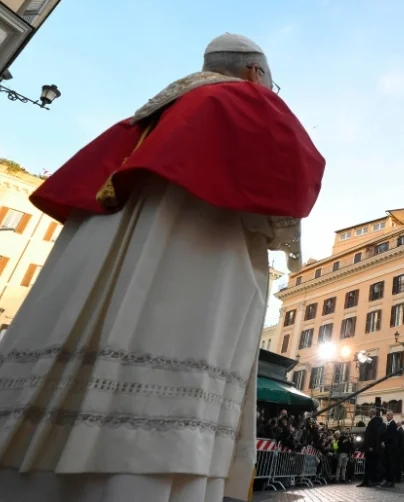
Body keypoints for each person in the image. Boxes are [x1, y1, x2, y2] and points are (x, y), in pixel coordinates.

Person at [0, 33, 324, 502]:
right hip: (193, 251)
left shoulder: (148, 118)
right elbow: (298, 175)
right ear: (255, 74)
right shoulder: (242, 103)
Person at [359, 409, 385, 488]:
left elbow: (374, 436)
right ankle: (367, 480)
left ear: (371, 413)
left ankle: (372, 481)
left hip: (371, 448)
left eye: (368, 412)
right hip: (370, 448)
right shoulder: (374, 422)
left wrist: (371, 446)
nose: (368, 414)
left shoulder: (375, 422)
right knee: (368, 465)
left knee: (372, 465)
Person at [382, 411, 400, 488]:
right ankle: (389, 481)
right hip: (390, 448)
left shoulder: (392, 425)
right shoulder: (390, 424)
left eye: (388, 415)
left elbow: (391, 437)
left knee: (390, 465)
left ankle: (390, 481)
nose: (387, 416)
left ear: (392, 416)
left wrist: (384, 443)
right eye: (386, 415)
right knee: (388, 465)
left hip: (391, 448)